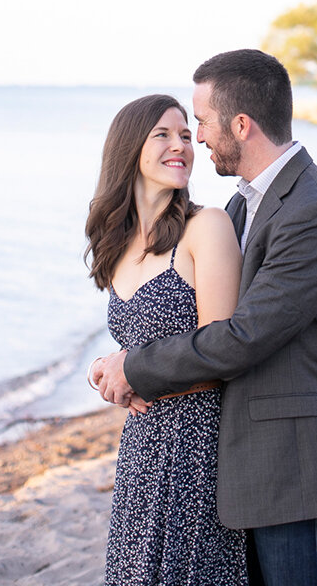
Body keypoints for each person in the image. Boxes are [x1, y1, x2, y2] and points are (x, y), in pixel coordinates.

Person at [93, 51, 317, 586]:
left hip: (295, 468)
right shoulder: (246, 205)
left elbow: (242, 336)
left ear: (241, 125)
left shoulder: (313, 208)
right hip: (245, 465)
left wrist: (135, 370)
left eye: (200, 123)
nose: (196, 138)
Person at [84, 93, 247, 586]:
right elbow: (139, 343)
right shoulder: (117, 244)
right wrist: (107, 370)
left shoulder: (207, 227)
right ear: (130, 148)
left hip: (197, 447)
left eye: (184, 134)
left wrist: (132, 376)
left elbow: (223, 355)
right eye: (163, 134)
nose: (181, 144)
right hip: (140, 449)